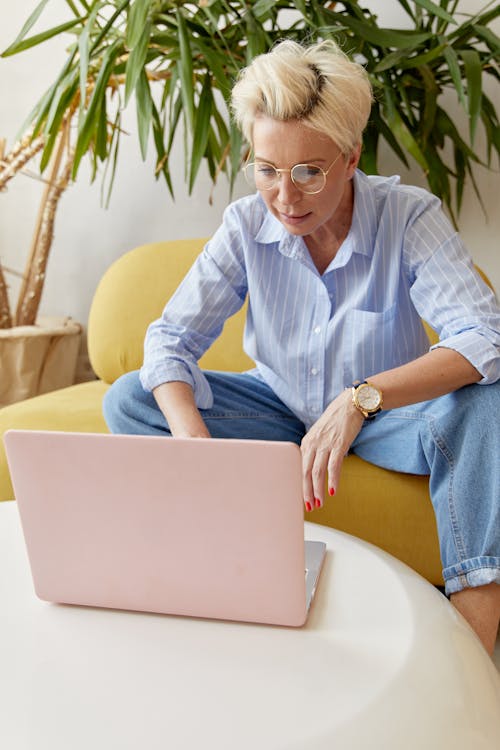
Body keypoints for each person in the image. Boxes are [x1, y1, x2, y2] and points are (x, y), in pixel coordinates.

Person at [103, 39, 500, 655]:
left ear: (350, 157)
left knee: (488, 399)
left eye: (309, 171)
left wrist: (359, 400)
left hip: (386, 417)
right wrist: (195, 448)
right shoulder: (244, 225)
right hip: (278, 407)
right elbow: (170, 340)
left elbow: (484, 338)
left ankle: (470, 649)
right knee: (132, 399)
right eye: (267, 170)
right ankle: (219, 585)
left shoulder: (408, 216)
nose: (285, 197)